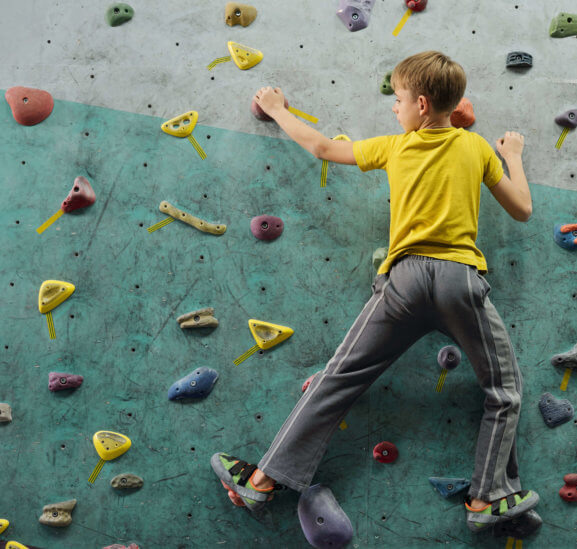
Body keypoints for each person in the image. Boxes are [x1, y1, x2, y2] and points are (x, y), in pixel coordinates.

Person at [211, 50, 536, 533]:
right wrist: (511, 155)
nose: (393, 108)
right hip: (458, 279)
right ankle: (488, 497)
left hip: (403, 280)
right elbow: (523, 209)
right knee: (504, 392)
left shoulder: (396, 146)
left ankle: (260, 482)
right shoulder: (477, 150)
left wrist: (278, 108)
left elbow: (321, 148)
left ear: (422, 105)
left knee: (338, 377)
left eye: (399, 99)